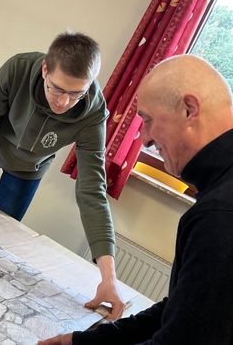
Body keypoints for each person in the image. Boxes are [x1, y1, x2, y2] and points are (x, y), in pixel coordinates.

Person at [0, 31, 124, 319]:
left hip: (28, 169)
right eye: (57, 89)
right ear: (45, 70)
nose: (64, 102)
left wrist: (109, 277)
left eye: (75, 94)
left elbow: (92, 191)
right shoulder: (18, 68)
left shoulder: (94, 114)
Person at [40, 54, 233, 344]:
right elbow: (181, 311)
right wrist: (82, 342)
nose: (145, 139)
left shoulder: (220, 215)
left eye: (148, 120)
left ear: (189, 109)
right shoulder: (219, 189)